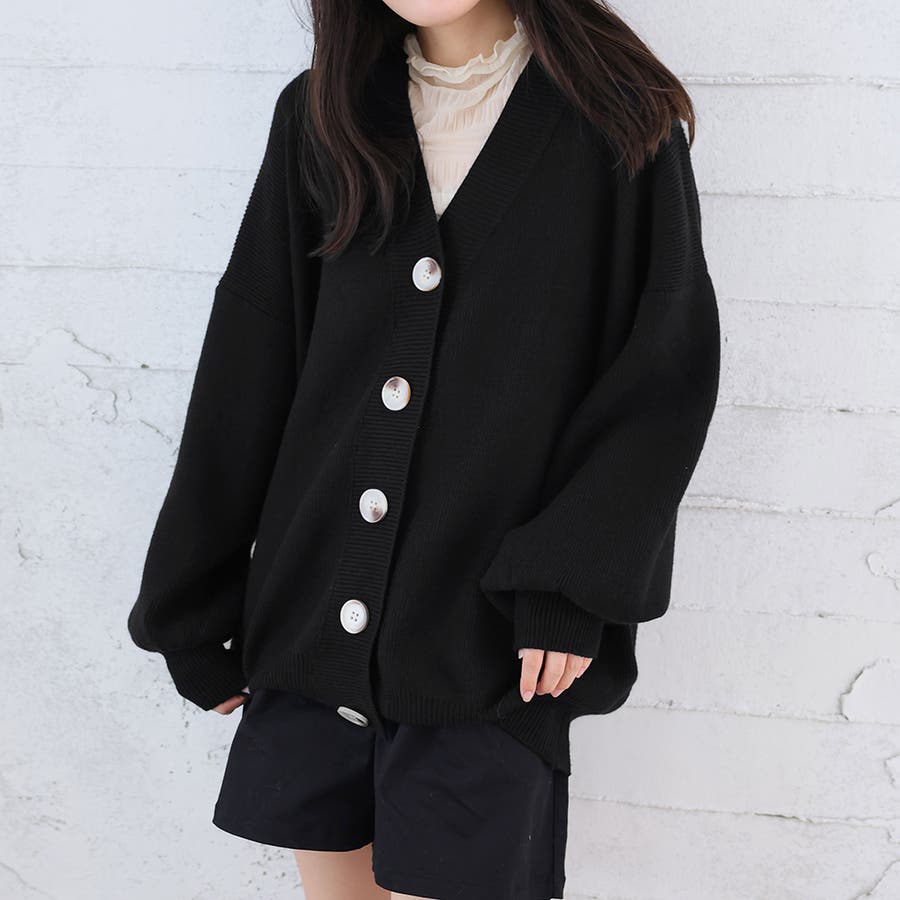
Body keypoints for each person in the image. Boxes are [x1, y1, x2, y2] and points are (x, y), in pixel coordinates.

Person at [126, 1, 721, 898]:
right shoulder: (322, 115)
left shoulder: (616, 120)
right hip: (310, 631)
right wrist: (191, 608)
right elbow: (250, 363)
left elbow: (659, 380)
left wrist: (570, 588)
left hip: (484, 650)